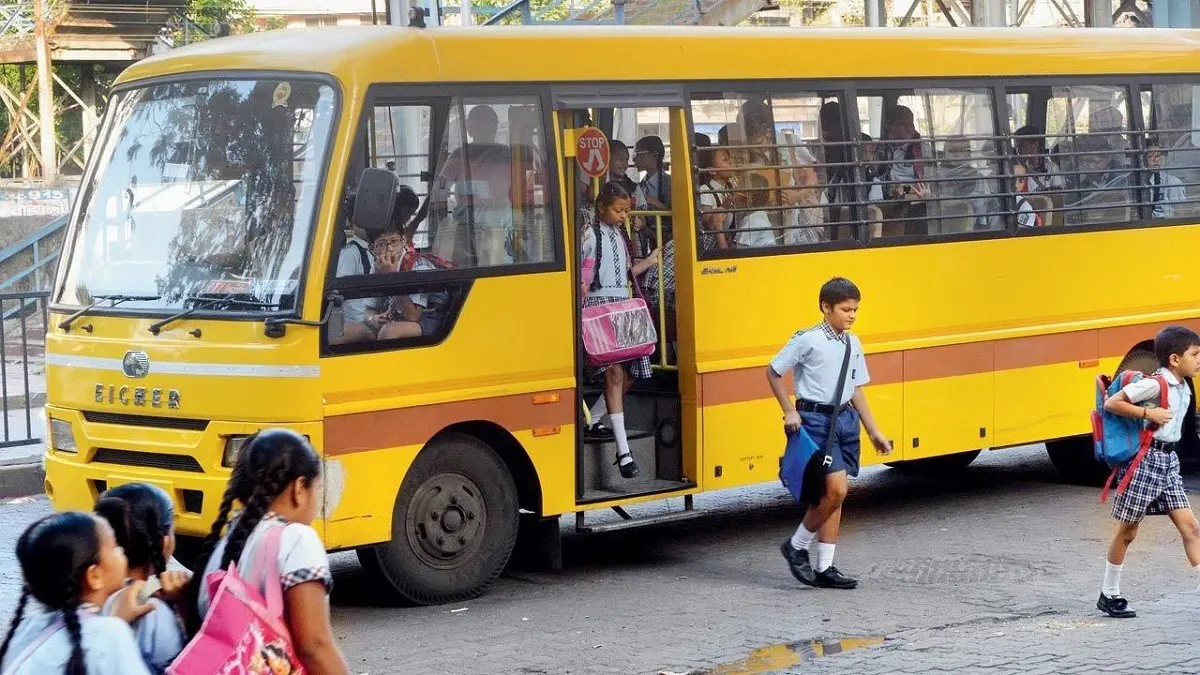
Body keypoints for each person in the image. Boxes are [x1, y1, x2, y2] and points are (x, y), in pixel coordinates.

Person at [188, 429, 350, 674]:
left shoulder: (223, 544)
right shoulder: (297, 539)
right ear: (299, 488)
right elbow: (314, 646)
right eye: (317, 488)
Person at [767, 277, 892, 590]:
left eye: (855, 310)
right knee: (836, 490)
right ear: (826, 307)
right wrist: (789, 410)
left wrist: (874, 431)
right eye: (846, 309)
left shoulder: (853, 343)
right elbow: (773, 371)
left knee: (832, 497)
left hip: (844, 421)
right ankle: (796, 546)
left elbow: (856, 391)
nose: (852, 315)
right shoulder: (807, 339)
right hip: (815, 420)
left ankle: (825, 567)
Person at [1096, 326, 1200, 619]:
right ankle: (1109, 592)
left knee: (1191, 527)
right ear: (1175, 359)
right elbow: (1112, 403)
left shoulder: (1183, 386)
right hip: (1146, 462)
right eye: (1195, 355)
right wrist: (1148, 413)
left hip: (1169, 463)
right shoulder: (1156, 384)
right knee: (1128, 531)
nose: (1199, 360)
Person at [0, 512, 156, 674]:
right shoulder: (109, 633)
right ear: (95, 576)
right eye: (115, 546)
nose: (121, 550)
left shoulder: (27, 626)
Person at [580, 181, 661, 476]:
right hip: (599, 312)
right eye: (618, 210)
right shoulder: (589, 235)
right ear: (601, 208)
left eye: (626, 211)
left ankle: (594, 418)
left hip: (623, 308)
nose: (624, 215)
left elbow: (625, 274)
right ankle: (624, 452)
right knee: (615, 375)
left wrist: (649, 262)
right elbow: (584, 276)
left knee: (629, 377)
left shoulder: (620, 235)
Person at [94, 484, 191, 674]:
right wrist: (186, 607)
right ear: (165, 543)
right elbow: (189, 667)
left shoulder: (86, 594)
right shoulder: (154, 612)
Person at [1145, 137, 1187, 219]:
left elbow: (1180, 215)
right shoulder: (1131, 181)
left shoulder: (1172, 183)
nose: (1155, 160)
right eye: (1150, 156)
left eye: (1158, 156)